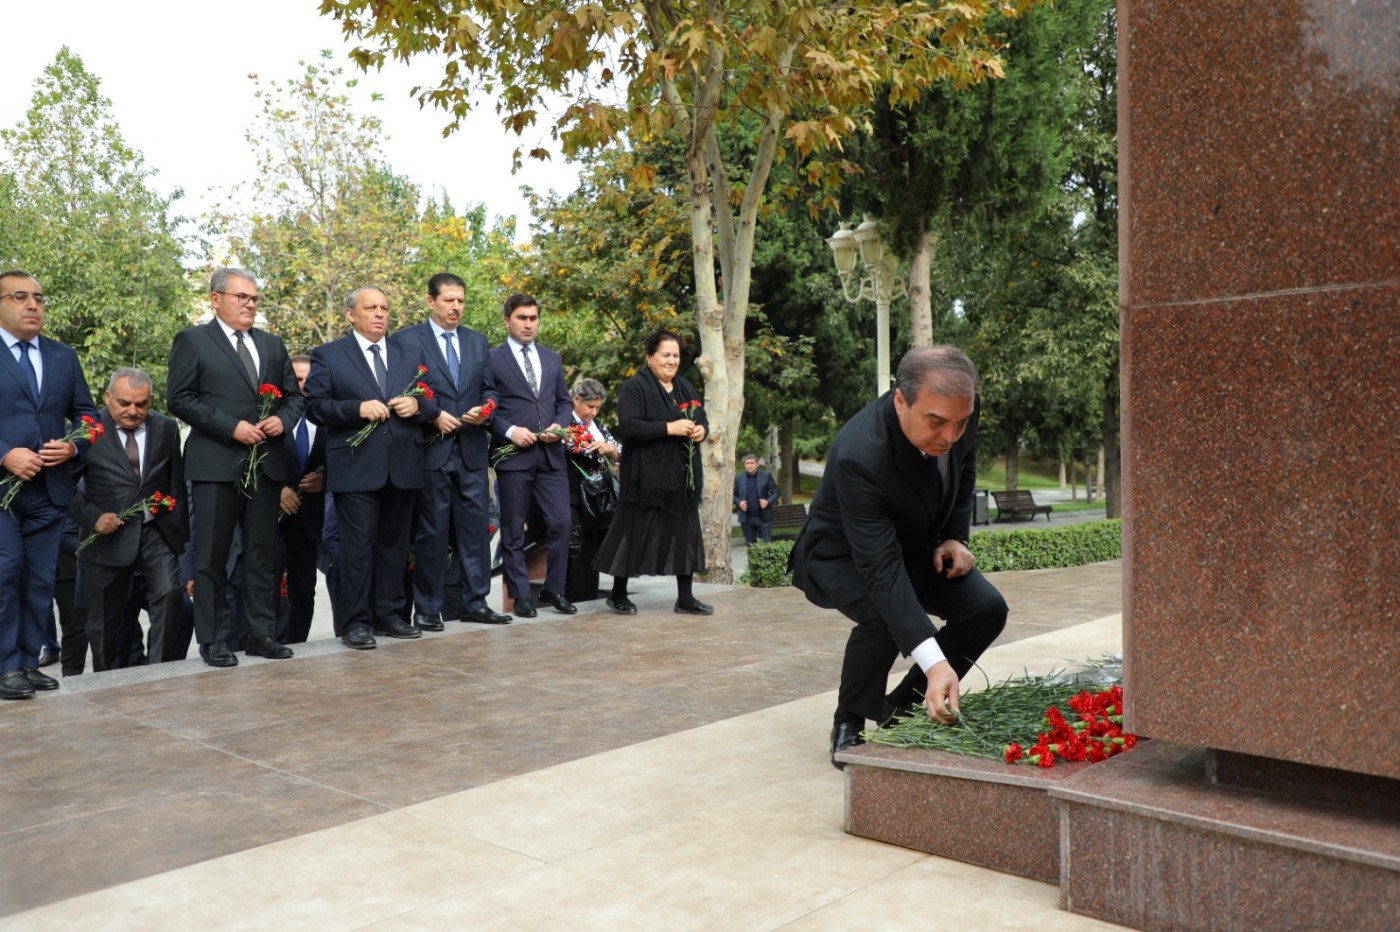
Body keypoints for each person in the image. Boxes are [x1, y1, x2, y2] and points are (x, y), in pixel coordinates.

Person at [789, 345, 1008, 769]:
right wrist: (936, 663)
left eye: (960, 422)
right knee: (884, 612)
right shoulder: (860, 454)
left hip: (916, 547)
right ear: (901, 399)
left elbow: (964, 468)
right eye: (937, 422)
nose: (950, 435)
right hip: (841, 556)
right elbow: (882, 572)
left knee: (987, 609)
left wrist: (953, 537)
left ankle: (900, 709)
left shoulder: (961, 409)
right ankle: (849, 720)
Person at [167, 267, 303, 667]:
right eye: (241, 297)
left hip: (265, 465)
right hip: (215, 464)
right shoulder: (193, 341)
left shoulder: (272, 344)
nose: (250, 304)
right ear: (216, 299)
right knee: (212, 557)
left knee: (261, 554)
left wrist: (283, 420)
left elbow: (293, 398)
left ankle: (262, 633)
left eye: (255, 298)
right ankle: (214, 640)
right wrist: (231, 427)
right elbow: (179, 398)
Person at [305, 286, 438, 650]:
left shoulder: (409, 353)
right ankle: (356, 622)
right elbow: (315, 406)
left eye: (384, 308)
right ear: (351, 314)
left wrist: (417, 404)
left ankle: (389, 615)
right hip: (355, 466)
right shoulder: (329, 355)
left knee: (395, 546)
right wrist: (356, 409)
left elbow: (432, 400)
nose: (380, 314)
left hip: (404, 465)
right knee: (357, 549)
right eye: (371, 308)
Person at [0, 270, 98, 698]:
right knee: (6, 572)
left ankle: (25, 661)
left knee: (40, 579)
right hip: (2, 490)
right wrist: (4, 453)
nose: (33, 305)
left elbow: (89, 417)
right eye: (20, 296)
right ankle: (5, 666)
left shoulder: (63, 356)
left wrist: (74, 447)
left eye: (39, 297)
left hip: (50, 489)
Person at [400, 272, 509, 629]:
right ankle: (429, 610)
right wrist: (432, 416)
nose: (456, 307)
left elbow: (491, 390)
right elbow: (404, 390)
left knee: (475, 531)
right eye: (449, 300)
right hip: (432, 451)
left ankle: (475, 602)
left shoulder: (477, 341)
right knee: (431, 532)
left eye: (461, 300)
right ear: (430, 301)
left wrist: (486, 410)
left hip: (473, 450)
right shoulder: (406, 340)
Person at [69, 368, 188, 671]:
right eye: (124, 403)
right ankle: (108, 683)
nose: (133, 412)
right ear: (108, 397)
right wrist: (93, 518)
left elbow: (176, 484)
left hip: (156, 532)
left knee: (170, 597)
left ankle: (161, 673)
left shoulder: (166, 428)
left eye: (142, 404)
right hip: (108, 538)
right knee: (105, 623)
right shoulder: (86, 431)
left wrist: (180, 540)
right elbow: (63, 486)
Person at [594, 330, 712, 616]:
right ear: (649, 358)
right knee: (634, 532)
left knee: (684, 533)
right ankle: (618, 593)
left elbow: (703, 418)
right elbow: (630, 427)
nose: (672, 361)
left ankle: (685, 597)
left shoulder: (686, 387)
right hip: (644, 477)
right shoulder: (634, 388)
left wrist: (700, 431)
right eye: (665, 355)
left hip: (681, 476)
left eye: (676, 356)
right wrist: (669, 427)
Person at [487, 293, 575, 618]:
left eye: (533, 318)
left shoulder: (552, 359)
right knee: (512, 529)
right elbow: (487, 408)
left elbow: (564, 402)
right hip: (513, 456)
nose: (528, 324)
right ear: (507, 320)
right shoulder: (492, 359)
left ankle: (555, 589)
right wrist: (510, 431)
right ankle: (522, 596)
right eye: (522, 318)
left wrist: (560, 424)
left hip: (551, 454)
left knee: (562, 523)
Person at [273, 354, 326, 644]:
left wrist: (324, 481)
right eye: (298, 380)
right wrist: (278, 489)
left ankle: (298, 646)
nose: (304, 386)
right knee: (269, 588)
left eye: (309, 380)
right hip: (274, 520)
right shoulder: (272, 416)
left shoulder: (326, 417)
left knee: (305, 591)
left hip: (310, 522)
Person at [563, 378, 621, 603]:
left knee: (594, 548)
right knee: (575, 547)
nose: (594, 412)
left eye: (598, 407)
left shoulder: (598, 426)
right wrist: (596, 448)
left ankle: (589, 598)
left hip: (596, 501)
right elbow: (573, 446)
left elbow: (619, 450)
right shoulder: (564, 420)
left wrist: (611, 449)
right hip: (571, 497)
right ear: (576, 399)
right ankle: (573, 598)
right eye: (590, 407)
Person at [733, 453, 780, 545]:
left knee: (766, 547)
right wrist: (739, 503)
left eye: (752, 463)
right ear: (744, 465)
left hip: (763, 518)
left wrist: (768, 502)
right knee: (751, 547)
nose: (749, 465)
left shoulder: (766, 476)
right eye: (747, 463)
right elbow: (732, 495)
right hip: (746, 519)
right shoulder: (739, 478)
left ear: (757, 464)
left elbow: (776, 492)